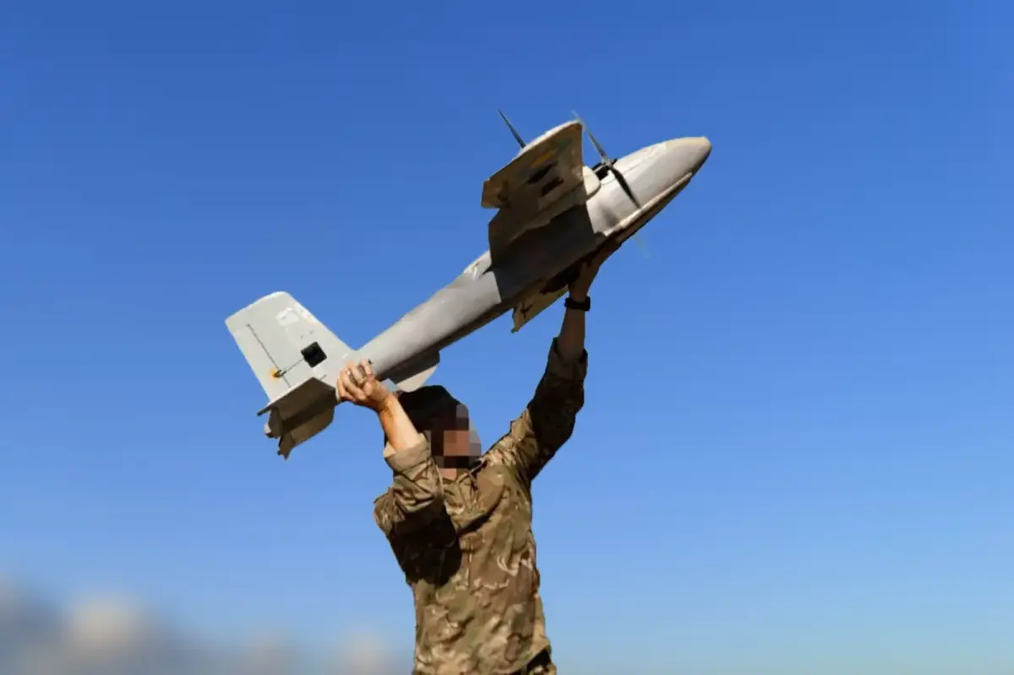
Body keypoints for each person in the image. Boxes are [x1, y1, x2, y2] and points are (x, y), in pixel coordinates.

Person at [336, 243, 617, 675]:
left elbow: (557, 396)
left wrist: (577, 300)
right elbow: (422, 490)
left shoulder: (504, 470)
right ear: (423, 437)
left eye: (462, 415)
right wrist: (386, 406)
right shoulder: (392, 511)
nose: (467, 425)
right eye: (452, 420)